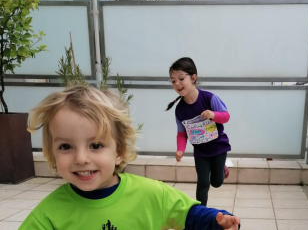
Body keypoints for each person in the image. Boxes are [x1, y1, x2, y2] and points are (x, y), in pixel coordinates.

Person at [19, 85, 240, 229]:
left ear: (119, 151)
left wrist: (217, 221)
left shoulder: (152, 194)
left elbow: (190, 214)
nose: (81, 158)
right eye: (66, 146)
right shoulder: (48, 215)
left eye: (96, 145)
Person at [166, 57, 232, 207]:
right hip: (200, 152)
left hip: (218, 147)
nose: (177, 84)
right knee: (203, 183)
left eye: (181, 78)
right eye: (173, 81)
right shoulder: (180, 110)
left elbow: (226, 116)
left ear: (193, 78)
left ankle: (221, 168)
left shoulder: (209, 98)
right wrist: (180, 150)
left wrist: (213, 115)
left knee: (216, 182)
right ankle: (200, 213)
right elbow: (182, 134)